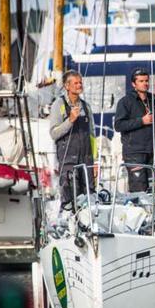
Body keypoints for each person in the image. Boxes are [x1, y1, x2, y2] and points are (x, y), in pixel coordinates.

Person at [49, 70, 97, 208]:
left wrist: (94, 161)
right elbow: (53, 133)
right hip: (69, 162)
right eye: (75, 83)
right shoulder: (59, 105)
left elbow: (92, 136)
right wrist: (70, 121)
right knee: (70, 200)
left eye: (80, 82)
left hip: (86, 162)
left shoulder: (86, 106)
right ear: (67, 86)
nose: (79, 85)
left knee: (89, 199)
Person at [114, 68, 155, 192]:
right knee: (139, 189)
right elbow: (118, 125)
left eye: (146, 81)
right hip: (134, 153)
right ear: (134, 84)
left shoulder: (153, 101)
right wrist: (141, 121)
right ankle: (138, 211)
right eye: (141, 81)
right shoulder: (125, 102)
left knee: (153, 190)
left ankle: (153, 212)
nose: (145, 83)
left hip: (151, 152)